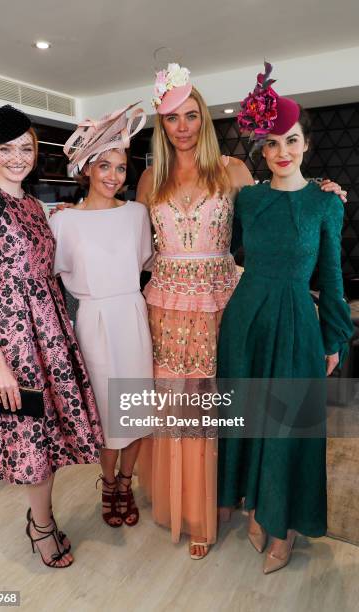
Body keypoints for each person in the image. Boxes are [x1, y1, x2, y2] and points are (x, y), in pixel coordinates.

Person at [136, 63, 348, 561]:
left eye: (192, 115)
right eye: (171, 118)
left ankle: (255, 514)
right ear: (161, 125)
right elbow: (137, 247)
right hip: (199, 313)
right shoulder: (165, 179)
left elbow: (291, 214)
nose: (182, 126)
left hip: (242, 308)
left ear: (205, 119)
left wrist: (325, 190)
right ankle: (202, 506)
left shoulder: (235, 174)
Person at [216, 63, 354, 573]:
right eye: (272, 144)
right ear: (262, 150)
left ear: (306, 144)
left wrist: (334, 335)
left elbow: (333, 277)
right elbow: (221, 251)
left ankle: (286, 525)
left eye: (291, 141)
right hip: (246, 320)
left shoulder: (326, 202)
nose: (282, 152)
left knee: (290, 427)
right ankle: (255, 506)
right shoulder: (248, 199)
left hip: (298, 320)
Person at [0, 105, 103, 569]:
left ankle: (40, 518)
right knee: (31, 441)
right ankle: (41, 525)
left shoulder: (31, 203)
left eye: (26, 148)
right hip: (13, 341)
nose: (18, 157)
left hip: (48, 332)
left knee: (49, 436)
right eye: (7, 149)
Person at [49, 103, 153, 528]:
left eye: (121, 168)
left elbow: (145, 264)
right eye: (105, 166)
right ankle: (108, 483)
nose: (114, 176)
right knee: (109, 414)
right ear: (88, 168)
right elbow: (47, 275)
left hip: (132, 316)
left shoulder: (137, 215)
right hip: (92, 324)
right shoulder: (64, 222)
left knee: (137, 412)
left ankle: (126, 483)